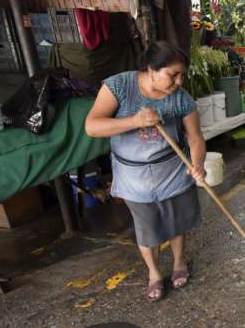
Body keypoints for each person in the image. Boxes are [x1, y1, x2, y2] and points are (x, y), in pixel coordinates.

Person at [85, 41, 206, 302]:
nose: (179, 81)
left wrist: (197, 164)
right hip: (133, 176)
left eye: (182, 74)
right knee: (146, 228)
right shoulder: (118, 86)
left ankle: (178, 263)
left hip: (172, 170)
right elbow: (92, 126)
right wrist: (135, 121)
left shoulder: (181, 98)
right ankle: (153, 274)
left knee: (176, 222)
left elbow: (195, 138)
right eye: (172, 74)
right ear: (151, 69)